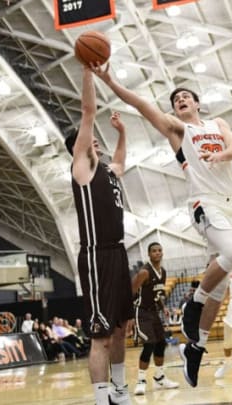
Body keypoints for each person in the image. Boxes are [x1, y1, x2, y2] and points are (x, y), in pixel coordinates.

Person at [92, 65, 232, 387]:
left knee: (221, 287)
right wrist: (108, 79)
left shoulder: (218, 123)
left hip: (231, 205)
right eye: (176, 99)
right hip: (205, 201)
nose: (181, 99)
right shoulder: (177, 130)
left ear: (198, 103)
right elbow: (140, 104)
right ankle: (194, 301)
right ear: (174, 109)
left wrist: (220, 156)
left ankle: (197, 347)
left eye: (187, 96)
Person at [65, 65, 133, 405]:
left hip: (118, 253)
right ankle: (100, 397)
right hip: (96, 255)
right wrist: (89, 71)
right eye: (88, 137)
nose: (94, 139)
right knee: (101, 335)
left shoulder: (106, 171)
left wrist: (121, 133)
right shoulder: (82, 167)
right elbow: (88, 111)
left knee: (121, 329)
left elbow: (120, 161)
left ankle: (120, 390)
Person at [131, 242, 180, 395]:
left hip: (153, 312)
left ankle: (159, 376)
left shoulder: (163, 272)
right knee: (149, 344)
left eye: (159, 250)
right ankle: (140, 381)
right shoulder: (144, 272)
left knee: (161, 344)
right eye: (154, 251)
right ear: (149, 254)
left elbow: (158, 294)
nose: (157, 253)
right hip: (141, 312)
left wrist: (163, 307)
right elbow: (131, 292)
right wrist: (129, 316)